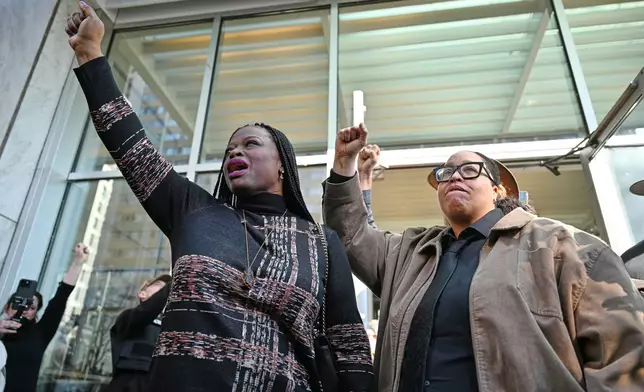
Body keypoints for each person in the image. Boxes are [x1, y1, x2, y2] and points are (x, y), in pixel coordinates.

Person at [65, 4, 374, 391]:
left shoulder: (321, 244)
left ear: (283, 165)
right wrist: (90, 53)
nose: (235, 153)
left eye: (250, 144)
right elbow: (132, 147)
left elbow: (350, 346)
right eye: (230, 149)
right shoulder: (193, 211)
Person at [323, 123, 644, 391]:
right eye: (446, 172)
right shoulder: (407, 254)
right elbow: (352, 235)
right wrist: (344, 166)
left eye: (468, 169)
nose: (454, 177)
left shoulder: (558, 245)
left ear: (498, 189)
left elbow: (622, 354)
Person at [0, 243, 88, 392]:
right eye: (19, 304)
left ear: (35, 313)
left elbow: (61, 296)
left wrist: (78, 262)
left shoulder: (39, 333)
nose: (24, 310)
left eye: (31, 307)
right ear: (7, 308)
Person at [105, 274, 171, 392]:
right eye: (159, 286)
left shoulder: (170, 326)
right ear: (142, 293)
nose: (164, 290)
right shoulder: (128, 317)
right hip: (129, 383)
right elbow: (147, 310)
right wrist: (173, 284)